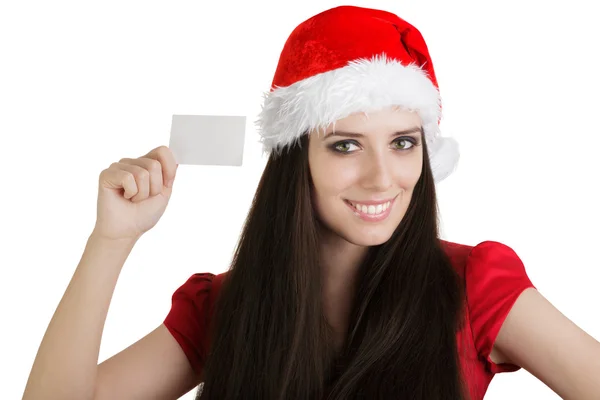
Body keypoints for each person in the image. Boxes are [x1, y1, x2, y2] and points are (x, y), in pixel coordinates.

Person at [22, 5, 600, 400]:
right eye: (346, 144)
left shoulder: (476, 284)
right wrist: (111, 241)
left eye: (403, 143)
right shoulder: (224, 308)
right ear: (297, 158)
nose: (382, 178)